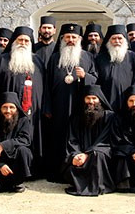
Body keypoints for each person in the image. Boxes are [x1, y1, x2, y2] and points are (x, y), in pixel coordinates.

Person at [42, 23, 97, 181]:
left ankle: (78, 172)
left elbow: (95, 79)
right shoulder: (55, 58)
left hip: (80, 106)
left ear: (79, 39)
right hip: (58, 105)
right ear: (62, 38)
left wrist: (85, 76)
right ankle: (58, 172)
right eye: (68, 37)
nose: (71, 40)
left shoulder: (87, 57)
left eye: (74, 37)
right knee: (58, 137)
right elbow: (47, 84)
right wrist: (47, 107)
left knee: (77, 138)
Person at [0, 27, 46, 168]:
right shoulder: (2, 60)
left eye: (26, 41)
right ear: (14, 41)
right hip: (8, 110)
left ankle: (32, 168)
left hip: (33, 110)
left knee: (30, 137)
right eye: (20, 40)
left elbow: (45, 86)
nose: (23, 43)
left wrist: (45, 107)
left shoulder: (37, 61)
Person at [64, 85, 116, 196]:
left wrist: (88, 153)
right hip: (81, 154)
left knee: (97, 155)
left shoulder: (109, 116)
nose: (91, 101)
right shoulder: (76, 118)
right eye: (88, 98)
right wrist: (76, 155)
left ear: (100, 100)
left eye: (94, 98)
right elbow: (72, 140)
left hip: (102, 151)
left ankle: (98, 186)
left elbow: (105, 139)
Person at [0, 92, 34, 195]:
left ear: (16, 109)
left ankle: (18, 182)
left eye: (11, 107)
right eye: (4, 107)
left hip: (16, 162)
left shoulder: (23, 121)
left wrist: (4, 145)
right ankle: (8, 183)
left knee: (24, 150)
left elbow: (25, 140)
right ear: (0, 109)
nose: (8, 111)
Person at [94, 24, 135, 111]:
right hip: (105, 100)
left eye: (120, 38)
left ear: (124, 40)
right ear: (109, 41)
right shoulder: (100, 58)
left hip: (127, 100)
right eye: (114, 38)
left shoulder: (133, 57)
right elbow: (96, 79)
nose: (117, 41)